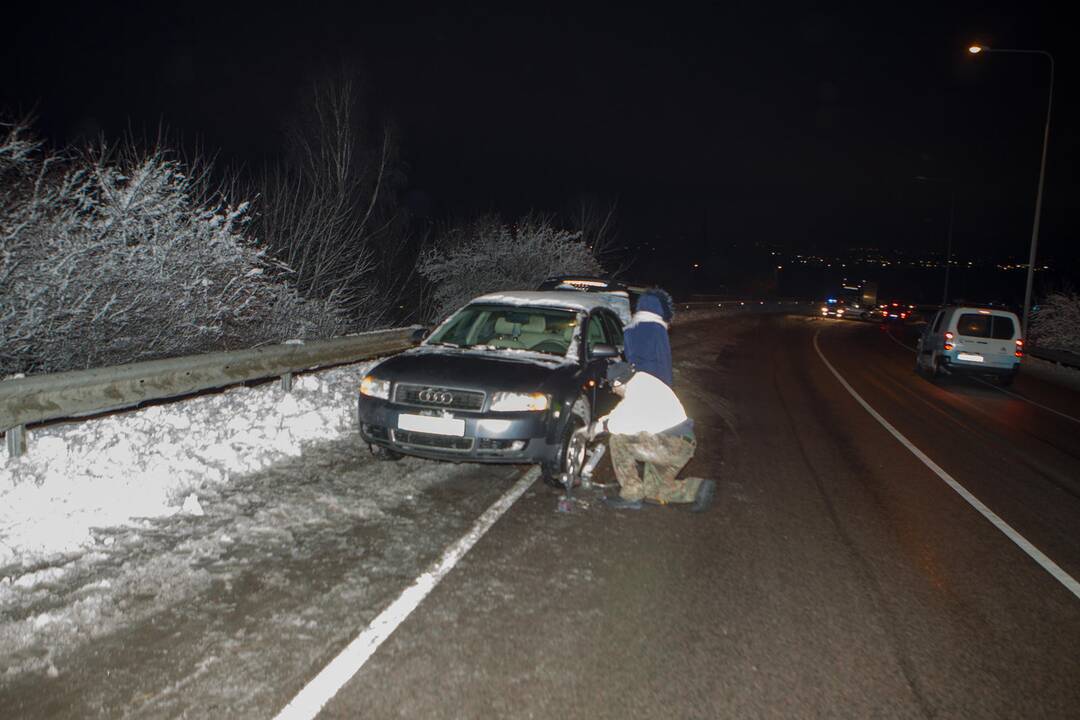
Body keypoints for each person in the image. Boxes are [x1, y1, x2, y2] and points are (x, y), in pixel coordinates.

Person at [590, 362, 715, 511]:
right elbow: (620, 412)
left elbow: (618, 425)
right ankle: (697, 489)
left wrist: (601, 427)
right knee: (653, 491)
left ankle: (632, 495)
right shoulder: (641, 383)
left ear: (618, 382)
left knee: (618, 441)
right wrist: (599, 422)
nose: (614, 391)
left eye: (613, 388)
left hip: (671, 443)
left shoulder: (637, 391)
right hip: (680, 445)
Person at [623, 288, 675, 387]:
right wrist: (668, 386)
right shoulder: (658, 329)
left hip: (634, 379)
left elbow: (627, 356)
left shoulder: (629, 328)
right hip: (655, 380)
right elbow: (664, 360)